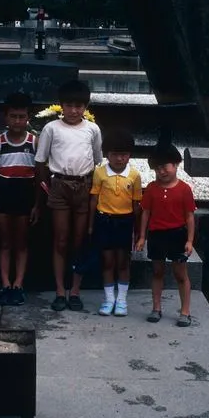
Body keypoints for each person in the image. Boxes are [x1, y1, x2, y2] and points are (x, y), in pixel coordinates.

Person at [35, 79, 102, 312]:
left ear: (85, 107)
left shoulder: (92, 129)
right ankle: (59, 290)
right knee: (61, 239)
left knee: (79, 239)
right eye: (69, 105)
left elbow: (97, 160)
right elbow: (41, 161)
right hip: (59, 185)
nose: (74, 111)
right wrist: (47, 186)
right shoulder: (51, 128)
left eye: (79, 106)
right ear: (61, 105)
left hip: (84, 185)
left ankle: (75, 290)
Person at [0, 91, 40, 305]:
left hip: (25, 194)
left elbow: (40, 176)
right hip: (3, 194)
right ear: (5, 117)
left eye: (21, 117)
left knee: (21, 242)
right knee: (5, 242)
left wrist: (37, 205)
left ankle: (18, 283)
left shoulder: (34, 142)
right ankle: (5, 283)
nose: (17, 121)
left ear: (28, 118)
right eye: (13, 116)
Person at [135, 144, 196, 327]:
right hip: (156, 234)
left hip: (177, 234)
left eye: (165, 167)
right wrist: (142, 236)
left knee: (180, 274)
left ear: (175, 164)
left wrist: (190, 240)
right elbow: (145, 213)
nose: (161, 171)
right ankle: (156, 308)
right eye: (157, 168)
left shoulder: (184, 189)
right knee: (157, 271)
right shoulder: (151, 188)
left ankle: (185, 311)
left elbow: (189, 216)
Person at [88, 129, 142, 317]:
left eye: (124, 154)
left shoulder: (134, 175)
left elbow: (137, 204)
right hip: (105, 220)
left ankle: (122, 300)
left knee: (123, 262)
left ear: (129, 155)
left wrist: (138, 231)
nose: (119, 159)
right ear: (107, 154)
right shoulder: (100, 173)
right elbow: (94, 199)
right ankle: (109, 299)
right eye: (115, 154)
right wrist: (90, 224)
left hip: (125, 221)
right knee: (108, 261)